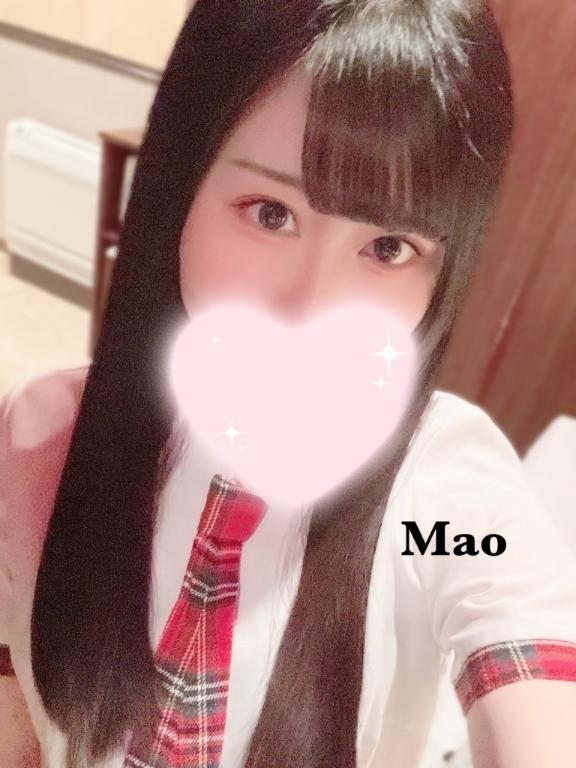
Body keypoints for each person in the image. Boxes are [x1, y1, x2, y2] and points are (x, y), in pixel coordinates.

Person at [2, 1, 576, 767]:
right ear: (180, 192)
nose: (312, 311)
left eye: (388, 248)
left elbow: (515, 618)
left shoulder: (436, 495)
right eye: (270, 213)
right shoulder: (47, 436)